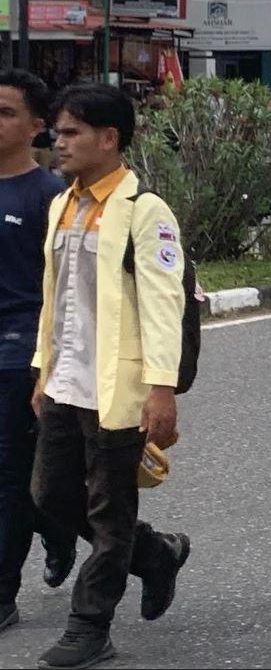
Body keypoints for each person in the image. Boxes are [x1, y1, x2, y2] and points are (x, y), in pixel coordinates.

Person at [30, 84, 192, 670]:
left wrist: (161, 388)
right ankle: (154, 554)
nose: (58, 142)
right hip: (64, 380)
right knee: (49, 495)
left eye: (71, 132)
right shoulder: (63, 204)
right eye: (58, 130)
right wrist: (40, 372)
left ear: (109, 139)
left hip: (118, 389)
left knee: (108, 508)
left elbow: (163, 303)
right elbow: (57, 299)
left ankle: (90, 623)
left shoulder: (144, 210)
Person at [0, 70, 74, 634]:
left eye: (5, 112)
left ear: (37, 127)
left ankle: (2, 594)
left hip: (19, 352)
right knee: (33, 485)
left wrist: (47, 366)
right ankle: (60, 528)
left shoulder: (51, 197)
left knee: (10, 477)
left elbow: (70, 289)